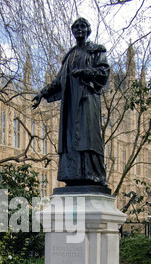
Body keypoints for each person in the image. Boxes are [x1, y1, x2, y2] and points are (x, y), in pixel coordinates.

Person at [32, 18, 110, 188]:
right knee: (71, 140)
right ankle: (74, 175)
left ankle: (94, 175)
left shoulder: (96, 51)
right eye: (76, 27)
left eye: (83, 27)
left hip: (86, 101)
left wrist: (86, 72)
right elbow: (59, 80)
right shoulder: (70, 56)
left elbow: (104, 73)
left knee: (88, 137)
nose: (79, 30)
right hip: (70, 105)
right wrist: (42, 93)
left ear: (88, 30)